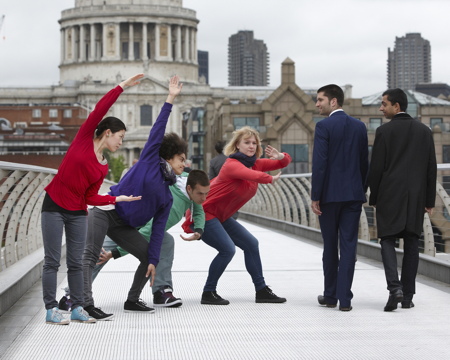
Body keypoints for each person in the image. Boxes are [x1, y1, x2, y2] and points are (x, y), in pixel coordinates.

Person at [41, 74, 144, 325]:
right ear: (107, 133)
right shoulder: (84, 139)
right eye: (119, 136)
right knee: (53, 261)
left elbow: (90, 197)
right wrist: (121, 87)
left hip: (77, 212)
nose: (121, 142)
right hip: (54, 205)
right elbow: (100, 109)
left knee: (77, 262)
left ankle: (78, 307)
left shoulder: (103, 167)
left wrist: (116, 198)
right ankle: (51, 309)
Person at [82, 75, 185, 320]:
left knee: (150, 255)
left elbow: (158, 231)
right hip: (106, 211)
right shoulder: (150, 159)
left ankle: (132, 299)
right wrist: (170, 98)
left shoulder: (167, 196)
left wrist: (153, 259)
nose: (185, 163)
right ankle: (84, 303)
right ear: (169, 157)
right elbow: (159, 127)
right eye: (182, 159)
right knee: (91, 254)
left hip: (125, 226)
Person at [183, 126, 292, 305]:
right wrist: (269, 179)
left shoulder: (256, 163)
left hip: (221, 216)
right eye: (246, 142)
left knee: (251, 244)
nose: (251, 146)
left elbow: (282, 163)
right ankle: (208, 292)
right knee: (227, 250)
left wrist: (282, 157)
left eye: (254, 143)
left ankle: (261, 290)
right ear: (237, 146)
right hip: (204, 212)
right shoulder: (231, 165)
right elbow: (251, 175)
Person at [97, 170, 210, 308]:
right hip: (119, 218)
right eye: (200, 194)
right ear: (189, 189)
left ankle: (161, 291)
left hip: (139, 219)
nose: (204, 198)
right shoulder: (173, 209)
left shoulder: (188, 180)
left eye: (206, 193)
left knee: (166, 242)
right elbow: (148, 233)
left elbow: (198, 209)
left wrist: (199, 230)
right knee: (99, 254)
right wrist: (115, 253)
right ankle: (72, 296)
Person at [368, 88, 437, 312]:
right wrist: (429, 200)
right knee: (411, 243)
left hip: (389, 195)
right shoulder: (424, 131)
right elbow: (431, 168)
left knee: (387, 240)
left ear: (396, 106)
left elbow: (376, 169)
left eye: (384, 104)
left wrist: (374, 197)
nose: (381, 108)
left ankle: (394, 289)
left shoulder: (384, 132)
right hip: (416, 197)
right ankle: (407, 296)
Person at [311, 84, 368, 312]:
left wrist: (316, 195)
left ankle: (330, 296)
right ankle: (345, 300)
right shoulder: (359, 127)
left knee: (330, 247)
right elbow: (364, 164)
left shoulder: (323, 126)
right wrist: (359, 189)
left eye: (320, 100)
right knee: (348, 246)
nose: (317, 104)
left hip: (329, 197)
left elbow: (320, 163)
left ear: (333, 101)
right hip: (353, 196)